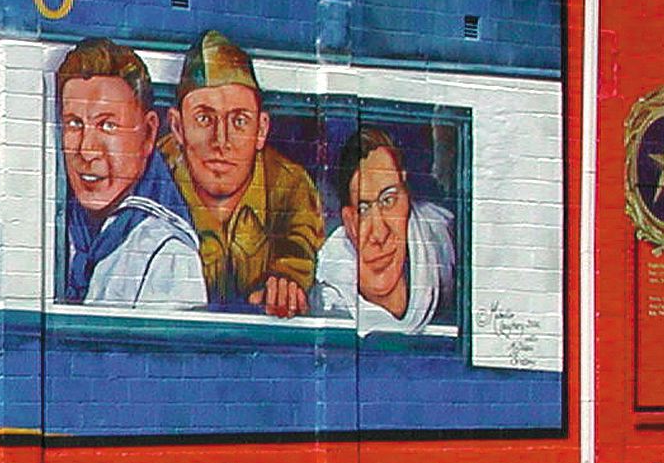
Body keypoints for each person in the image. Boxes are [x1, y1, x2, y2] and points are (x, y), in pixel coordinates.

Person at [159, 30, 324, 317]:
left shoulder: (289, 184)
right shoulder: (153, 175)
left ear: (261, 129)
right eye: (204, 119)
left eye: (239, 121)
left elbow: (299, 244)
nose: (221, 140)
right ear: (177, 127)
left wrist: (286, 279)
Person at [52, 39, 203, 309]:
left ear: (148, 134)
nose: (87, 151)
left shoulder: (168, 255)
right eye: (74, 124)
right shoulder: (57, 226)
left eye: (108, 125)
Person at [312, 128, 457, 334]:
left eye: (388, 200)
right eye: (363, 209)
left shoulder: (441, 234)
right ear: (349, 221)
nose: (379, 234)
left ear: (407, 198)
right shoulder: (331, 291)